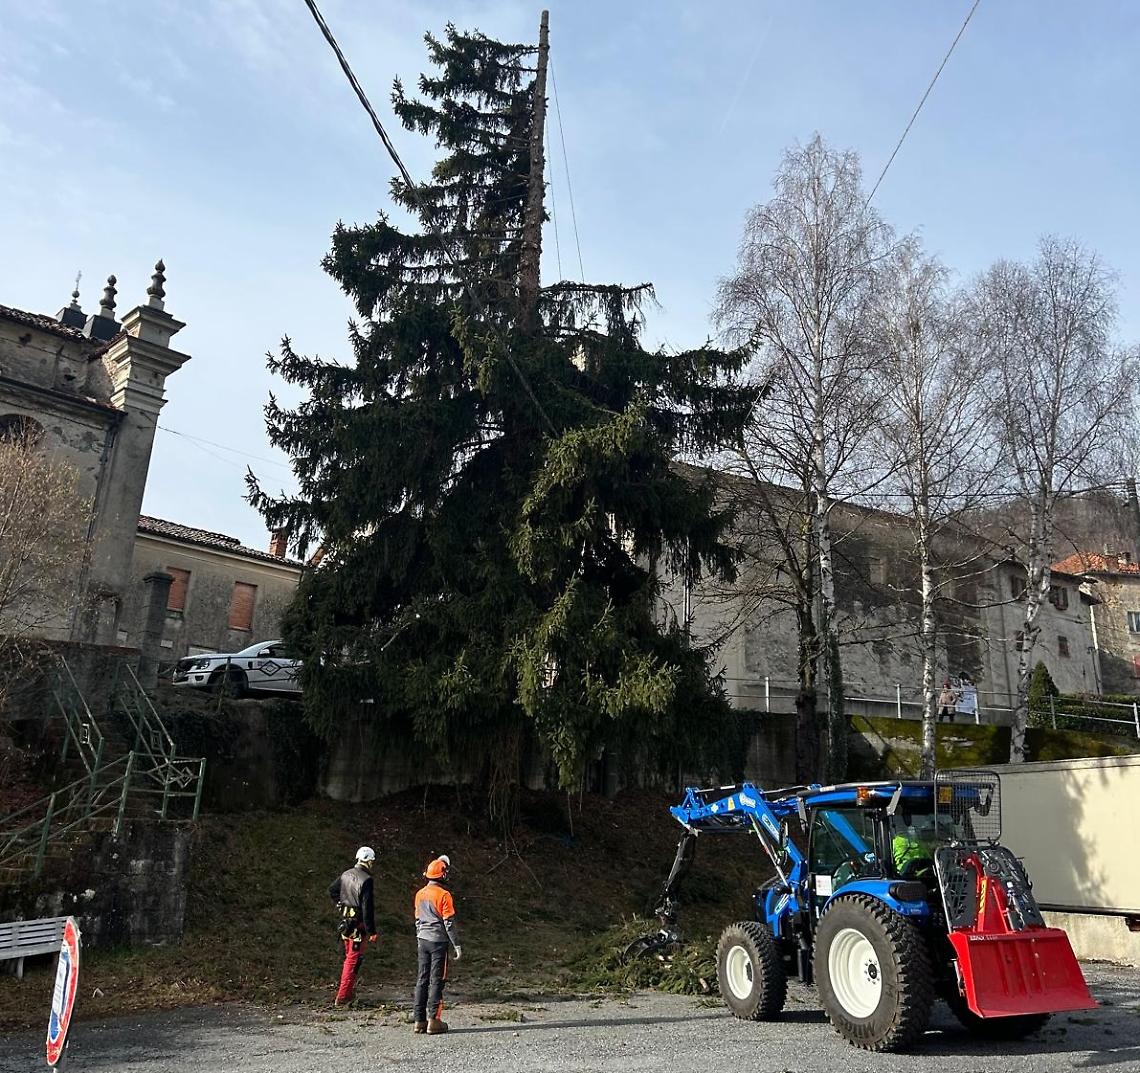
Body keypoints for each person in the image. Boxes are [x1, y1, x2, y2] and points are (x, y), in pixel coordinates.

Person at [413, 855, 462, 1035]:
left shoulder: (420, 894)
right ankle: (434, 1020)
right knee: (437, 980)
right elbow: (449, 923)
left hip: (422, 940)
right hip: (438, 942)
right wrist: (456, 944)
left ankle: (419, 1020)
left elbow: (417, 919)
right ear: (443, 875)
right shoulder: (444, 895)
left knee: (422, 979)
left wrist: (420, 936)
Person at [328, 846, 378, 1006]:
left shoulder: (346, 874)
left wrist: (340, 905)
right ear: (369, 861)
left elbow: (332, 890)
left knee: (350, 958)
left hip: (345, 924)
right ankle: (343, 996)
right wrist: (372, 931)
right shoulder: (367, 880)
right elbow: (367, 908)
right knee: (353, 960)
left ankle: (347, 992)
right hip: (358, 925)